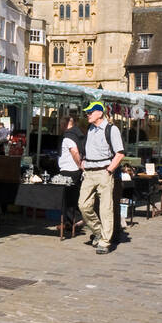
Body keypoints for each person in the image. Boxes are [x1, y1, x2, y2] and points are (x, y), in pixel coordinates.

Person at [77, 101, 125, 255]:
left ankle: (105, 241)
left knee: (106, 208)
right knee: (83, 205)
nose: (87, 114)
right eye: (87, 112)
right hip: (89, 173)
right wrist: (83, 162)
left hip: (104, 172)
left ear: (99, 112)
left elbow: (120, 153)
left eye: (90, 112)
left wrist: (110, 170)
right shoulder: (90, 129)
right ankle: (98, 231)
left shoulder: (112, 129)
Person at [57, 114, 84, 233]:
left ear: (65, 124)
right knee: (72, 196)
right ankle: (70, 222)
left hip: (69, 170)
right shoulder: (78, 134)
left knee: (68, 198)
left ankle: (74, 221)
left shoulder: (69, 136)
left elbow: (74, 152)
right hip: (73, 170)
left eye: (61, 124)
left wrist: (80, 165)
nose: (60, 127)